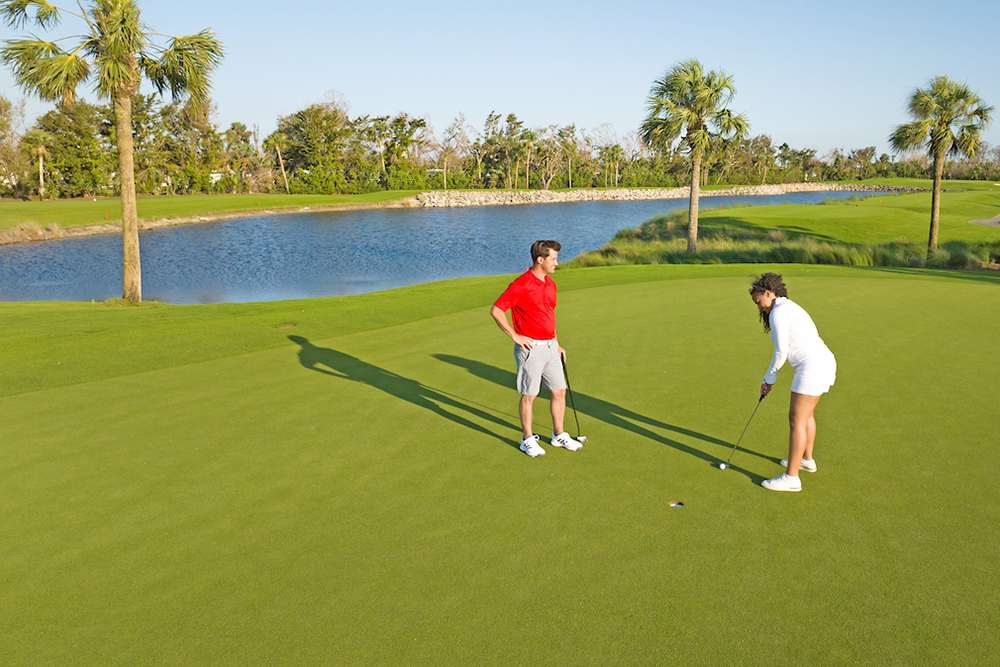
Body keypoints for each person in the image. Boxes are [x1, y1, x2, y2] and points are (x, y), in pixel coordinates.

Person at [490, 240, 583, 457]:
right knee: (529, 395)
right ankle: (527, 440)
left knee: (559, 391)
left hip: (550, 346)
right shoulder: (521, 285)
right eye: (554, 259)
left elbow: (549, 316)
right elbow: (497, 310)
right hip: (531, 349)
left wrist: (557, 344)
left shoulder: (550, 284)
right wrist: (515, 336)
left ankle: (559, 435)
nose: (557, 263)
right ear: (540, 260)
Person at [750, 272, 836, 492]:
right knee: (806, 416)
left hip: (812, 367)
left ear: (768, 293)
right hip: (823, 361)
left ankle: (792, 478)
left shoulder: (778, 312)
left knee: (796, 420)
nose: (760, 308)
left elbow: (781, 351)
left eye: (760, 302)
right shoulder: (788, 306)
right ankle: (806, 460)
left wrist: (769, 377)